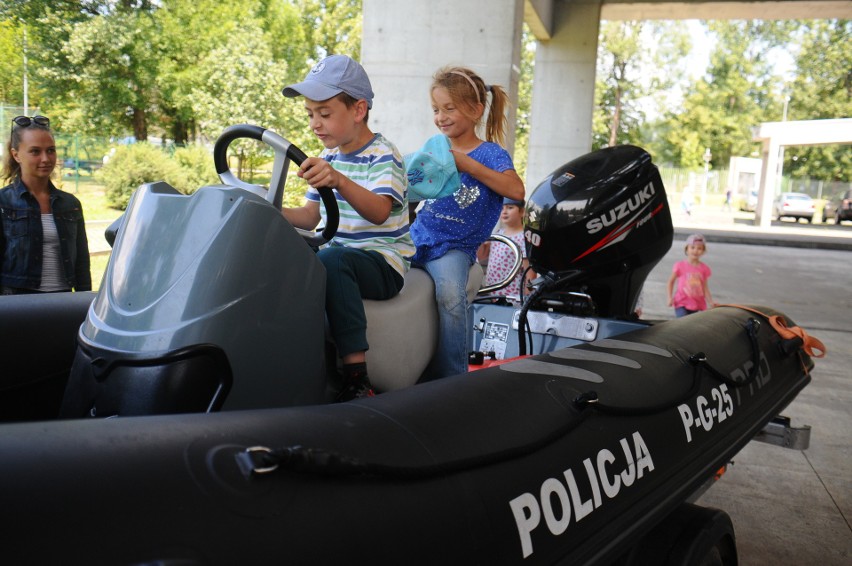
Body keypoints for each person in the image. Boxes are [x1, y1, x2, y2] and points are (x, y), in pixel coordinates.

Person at [280, 55, 414, 401]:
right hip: (337, 256)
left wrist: (339, 181)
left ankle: (357, 377)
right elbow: (310, 217)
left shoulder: (384, 154)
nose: (315, 123)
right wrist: (267, 210)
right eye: (310, 114)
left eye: (324, 113)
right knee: (288, 254)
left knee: (334, 260)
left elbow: (380, 212)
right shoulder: (328, 160)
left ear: (358, 110)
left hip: (381, 263)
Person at [409, 66, 525, 380]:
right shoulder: (434, 148)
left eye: (449, 108)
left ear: (475, 111)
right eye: (436, 109)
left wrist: (466, 164)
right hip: (418, 235)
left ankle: (451, 375)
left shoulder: (491, 154)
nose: (441, 116)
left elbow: (516, 190)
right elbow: (415, 192)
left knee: (450, 295)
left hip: (455, 247)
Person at [1, 115, 91, 294]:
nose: (46, 158)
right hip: (18, 305)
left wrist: (84, 300)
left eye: (51, 150)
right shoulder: (4, 202)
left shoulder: (70, 204)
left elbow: (81, 262)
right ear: (16, 155)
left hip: (62, 303)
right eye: (35, 151)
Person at [477, 196, 534, 300]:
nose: (504, 212)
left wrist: (527, 298)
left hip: (512, 298)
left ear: (522, 212)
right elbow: (482, 256)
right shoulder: (499, 234)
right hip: (493, 294)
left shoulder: (523, 237)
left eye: (510, 208)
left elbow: (529, 273)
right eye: (502, 208)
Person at [666, 233, 716, 317]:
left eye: (699, 248)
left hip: (696, 304)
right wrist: (669, 297)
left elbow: (705, 287)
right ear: (687, 249)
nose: (695, 250)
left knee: (688, 326)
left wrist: (710, 301)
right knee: (682, 322)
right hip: (681, 302)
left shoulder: (704, 268)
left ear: (703, 251)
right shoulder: (680, 266)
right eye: (692, 247)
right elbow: (670, 282)